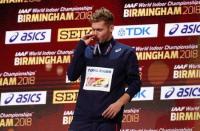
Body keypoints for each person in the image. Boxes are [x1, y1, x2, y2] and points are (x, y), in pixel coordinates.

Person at [67, 7, 141, 131]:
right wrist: (80, 46)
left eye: (100, 30)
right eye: (93, 30)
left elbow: (135, 83)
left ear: (111, 28)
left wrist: (119, 103)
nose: (95, 34)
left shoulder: (125, 52)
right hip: (81, 119)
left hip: (107, 120)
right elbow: (72, 75)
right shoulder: (86, 51)